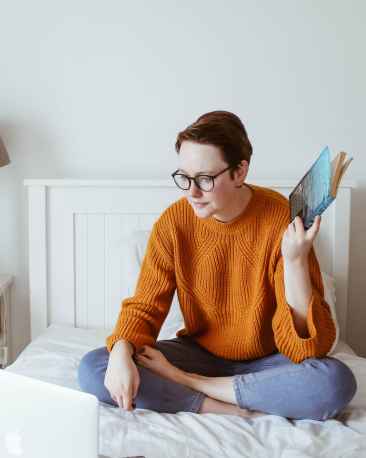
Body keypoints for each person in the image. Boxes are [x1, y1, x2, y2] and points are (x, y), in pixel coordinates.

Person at [78, 111, 357, 420]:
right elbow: (145, 307)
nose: (191, 192)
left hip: (269, 361)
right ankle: (228, 406)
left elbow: (307, 350)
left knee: (334, 381)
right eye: (184, 177)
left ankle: (194, 386)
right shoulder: (174, 222)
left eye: (205, 179)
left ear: (240, 172)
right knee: (95, 368)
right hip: (199, 353)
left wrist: (294, 261)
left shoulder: (281, 217)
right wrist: (120, 351)